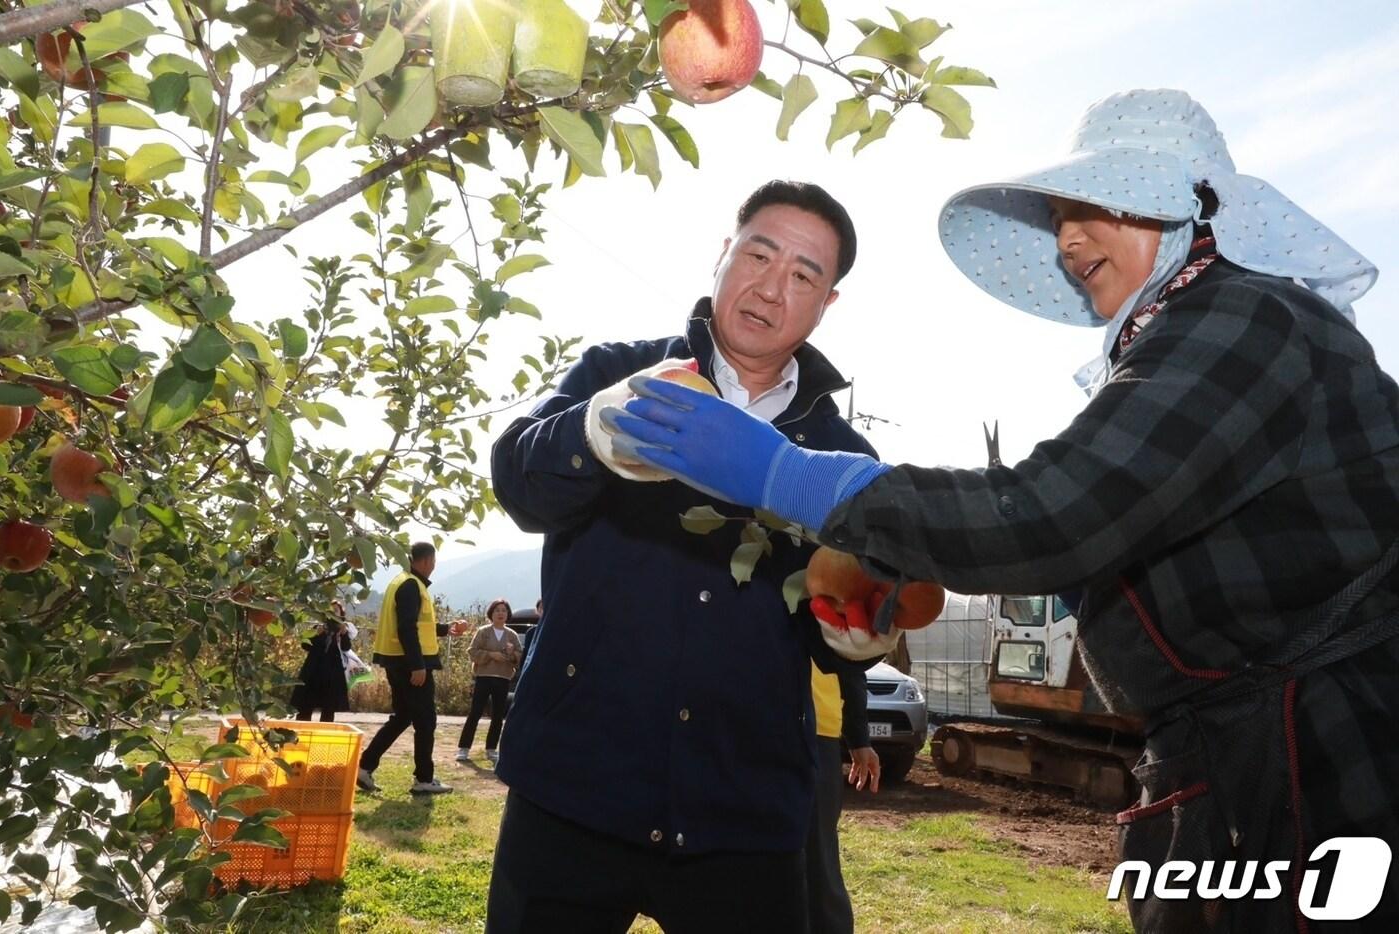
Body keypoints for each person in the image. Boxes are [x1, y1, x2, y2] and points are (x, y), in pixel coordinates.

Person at [611, 90, 1398, 931]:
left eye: (1093, 205)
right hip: (1231, 758)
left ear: (1192, 208)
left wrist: (795, 477)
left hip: (1321, 756)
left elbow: (1051, 515)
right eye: (1059, 214)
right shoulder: (1193, 332)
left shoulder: (1248, 319)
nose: (1065, 238)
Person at [487, 180, 880, 932]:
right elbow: (519, 483)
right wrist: (594, 432)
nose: (771, 287)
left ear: (827, 304)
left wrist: (858, 633)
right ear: (722, 255)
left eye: (803, 274)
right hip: (574, 785)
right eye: (758, 254)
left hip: (742, 812)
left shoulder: (838, 455)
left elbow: (846, 636)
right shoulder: (620, 374)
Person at [357, 542, 467, 796]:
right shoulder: (411, 585)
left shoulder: (403, 581)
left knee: (403, 716)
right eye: (434, 561)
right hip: (411, 664)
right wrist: (417, 666)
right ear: (428, 561)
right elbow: (407, 628)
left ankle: (364, 767)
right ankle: (424, 779)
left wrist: (446, 628)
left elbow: (418, 624)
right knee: (426, 720)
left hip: (398, 661)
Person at [806, 665, 878, 934]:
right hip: (742, 727)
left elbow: (850, 656)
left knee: (817, 859)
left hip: (815, 730)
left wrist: (859, 738)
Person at [457, 598, 523, 763]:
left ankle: (491, 748)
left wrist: (511, 653)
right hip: (484, 677)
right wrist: (490, 655)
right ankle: (464, 748)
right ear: (491, 614)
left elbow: (520, 656)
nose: (501, 613)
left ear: (507, 614)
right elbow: (472, 651)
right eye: (497, 610)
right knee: (475, 713)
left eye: (504, 610)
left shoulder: (512, 635)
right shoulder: (483, 631)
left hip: (503, 678)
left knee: (498, 715)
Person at [289, 601, 354, 722]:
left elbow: (346, 648)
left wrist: (344, 634)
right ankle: (302, 731)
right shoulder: (318, 627)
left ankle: (325, 734)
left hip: (332, 674)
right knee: (305, 705)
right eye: (330, 610)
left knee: (329, 708)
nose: (332, 612)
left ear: (341, 613)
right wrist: (315, 634)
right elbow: (305, 645)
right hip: (313, 671)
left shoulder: (343, 630)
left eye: (336, 610)